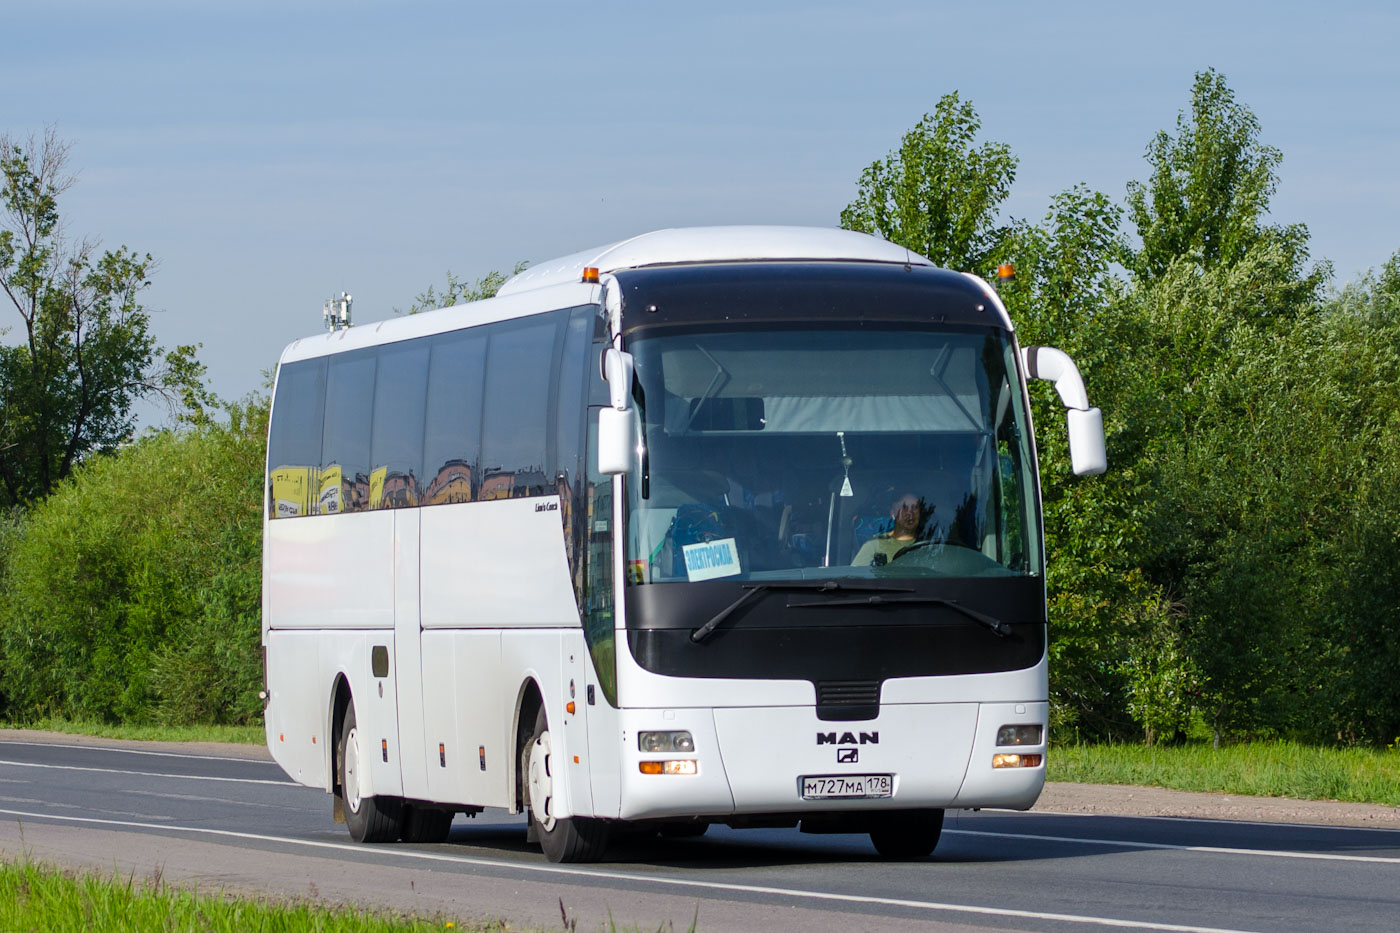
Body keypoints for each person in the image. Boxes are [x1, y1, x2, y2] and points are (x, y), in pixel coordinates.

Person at [852, 492, 929, 566]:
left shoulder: (930, 546)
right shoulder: (875, 545)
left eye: (915, 507)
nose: (910, 513)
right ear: (892, 513)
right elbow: (854, 576)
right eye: (904, 507)